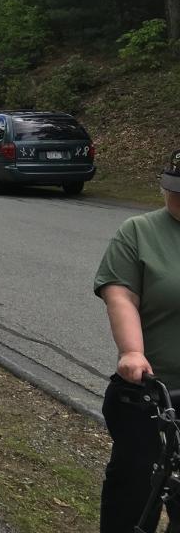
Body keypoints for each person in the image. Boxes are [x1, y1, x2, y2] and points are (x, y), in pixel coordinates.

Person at [93, 147, 180, 533]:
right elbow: (121, 294)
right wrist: (132, 351)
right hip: (154, 393)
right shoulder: (140, 232)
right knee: (134, 486)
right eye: (174, 189)